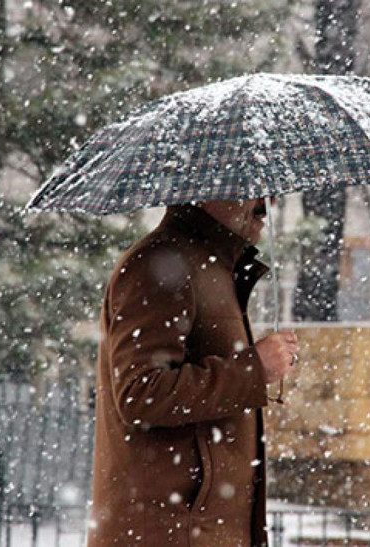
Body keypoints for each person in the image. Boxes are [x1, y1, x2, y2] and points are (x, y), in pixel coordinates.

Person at [88, 198, 299, 546]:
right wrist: (253, 369)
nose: (269, 202)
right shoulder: (159, 265)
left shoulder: (209, 265)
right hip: (171, 535)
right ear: (211, 190)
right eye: (253, 190)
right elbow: (141, 394)